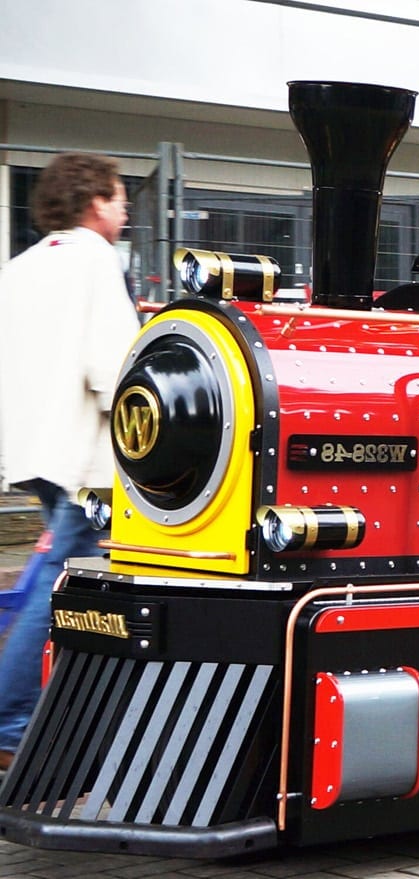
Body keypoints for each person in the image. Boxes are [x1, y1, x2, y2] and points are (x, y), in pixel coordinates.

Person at [0, 153, 140, 771]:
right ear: (94, 201)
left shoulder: (24, 265)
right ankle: (11, 722)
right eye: (118, 196)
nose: (125, 206)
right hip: (85, 457)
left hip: (33, 450)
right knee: (64, 586)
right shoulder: (93, 258)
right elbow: (114, 369)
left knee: (56, 579)